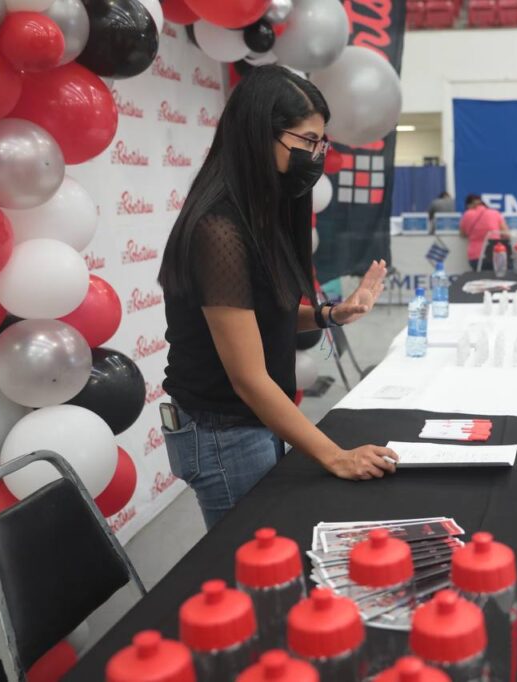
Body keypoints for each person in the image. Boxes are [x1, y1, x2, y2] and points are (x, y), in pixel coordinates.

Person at [158, 66, 398, 529]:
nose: (316, 155)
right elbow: (248, 377)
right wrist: (335, 457)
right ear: (257, 136)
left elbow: (263, 323)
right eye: (307, 141)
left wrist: (329, 314)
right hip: (224, 432)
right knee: (252, 561)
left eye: (321, 144)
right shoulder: (219, 230)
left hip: (251, 423)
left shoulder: (258, 217)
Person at [460, 194, 511, 271]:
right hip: (495, 253)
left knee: (480, 280)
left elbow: (462, 234)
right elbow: (506, 234)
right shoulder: (495, 213)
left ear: (469, 205)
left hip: (475, 257)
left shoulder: (467, 214)